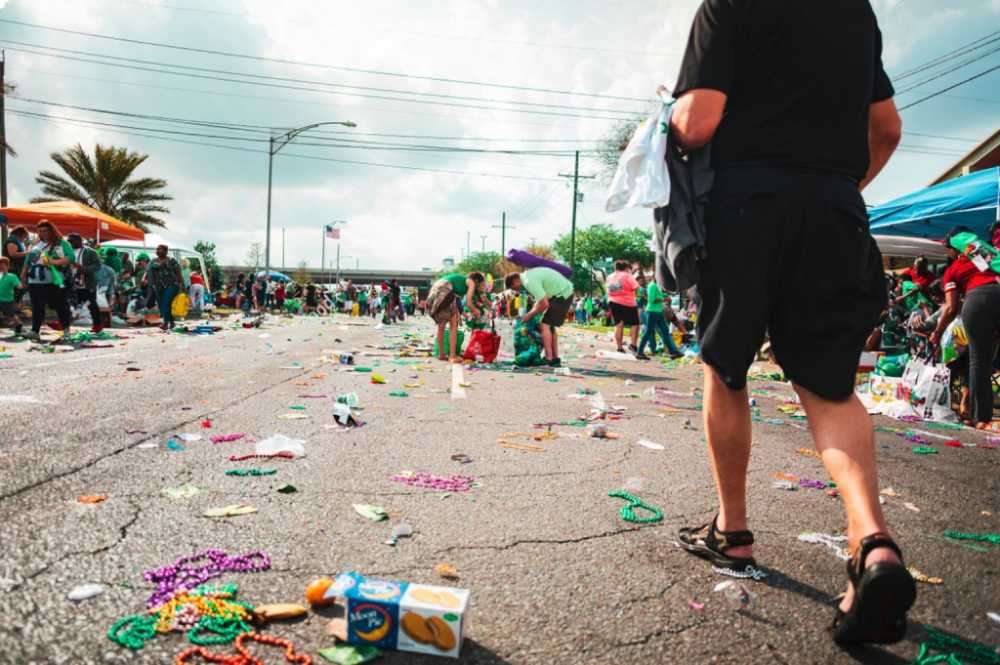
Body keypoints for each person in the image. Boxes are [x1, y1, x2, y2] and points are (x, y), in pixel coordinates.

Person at [669, 0, 913, 645]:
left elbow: (698, 122)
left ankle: (734, 529)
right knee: (830, 386)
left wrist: (667, 117)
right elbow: (886, 128)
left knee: (726, 368)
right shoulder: (854, 11)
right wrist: (835, 185)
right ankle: (873, 543)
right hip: (834, 205)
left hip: (745, 203)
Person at [929, 227, 1000, 428]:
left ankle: (981, 418)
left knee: (979, 361)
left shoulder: (952, 270)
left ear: (953, 248)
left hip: (978, 301)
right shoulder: (988, 255)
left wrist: (937, 332)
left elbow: (951, 308)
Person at [506, 267, 574, 367]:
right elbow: (542, 299)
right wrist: (534, 308)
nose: (515, 290)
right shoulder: (527, 276)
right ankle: (555, 358)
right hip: (562, 292)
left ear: (516, 281)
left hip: (562, 295)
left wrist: (529, 315)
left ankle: (549, 358)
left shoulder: (529, 282)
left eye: (513, 287)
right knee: (550, 326)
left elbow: (544, 304)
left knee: (544, 324)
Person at [20, 220, 74, 341]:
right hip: (35, 280)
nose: (43, 233)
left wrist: (54, 262)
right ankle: (35, 331)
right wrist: (23, 274)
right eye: (40, 231)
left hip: (54, 280)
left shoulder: (61, 243)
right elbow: (28, 259)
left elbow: (70, 257)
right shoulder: (36, 244)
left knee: (60, 305)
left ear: (51, 230)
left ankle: (66, 330)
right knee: (37, 306)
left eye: (45, 230)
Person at [426, 271, 486, 362]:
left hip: (436, 289)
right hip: (445, 289)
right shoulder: (471, 282)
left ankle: (441, 354)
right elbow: (468, 303)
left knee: (441, 325)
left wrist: (463, 314)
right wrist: (475, 311)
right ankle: (452, 356)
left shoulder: (460, 283)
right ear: (477, 281)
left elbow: (457, 302)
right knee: (453, 325)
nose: (482, 285)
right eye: (482, 283)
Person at [636, 277, 683, 360]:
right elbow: (651, 300)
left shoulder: (657, 286)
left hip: (658, 312)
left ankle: (673, 352)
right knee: (648, 332)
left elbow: (660, 296)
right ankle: (640, 352)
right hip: (652, 312)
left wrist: (665, 297)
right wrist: (663, 299)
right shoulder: (652, 286)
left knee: (665, 332)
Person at [142, 244, 183, 331]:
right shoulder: (153, 261)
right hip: (158, 286)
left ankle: (165, 323)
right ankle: (171, 322)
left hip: (172, 285)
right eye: (156, 249)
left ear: (165, 251)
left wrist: (181, 286)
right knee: (162, 304)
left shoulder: (172, 261)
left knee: (166, 302)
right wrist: (144, 279)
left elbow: (178, 273)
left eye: (159, 249)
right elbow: (147, 271)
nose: (157, 251)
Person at [67, 233, 102, 331]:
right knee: (69, 304)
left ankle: (97, 325)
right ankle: (65, 324)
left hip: (87, 283)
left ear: (79, 241)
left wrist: (84, 269)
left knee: (91, 304)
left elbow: (97, 265)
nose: (69, 243)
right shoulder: (67, 252)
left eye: (71, 241)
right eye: (68, 241)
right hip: (72, 282)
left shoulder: (90, 252)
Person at [606, 260, 641, 354]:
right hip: (628, 303)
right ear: (626, 268)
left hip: (613, 302)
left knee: (619, 325)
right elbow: (636, 287)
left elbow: (611, 289)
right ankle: (633, 344)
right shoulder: (627, 275)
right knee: (635, 324)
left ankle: (620, 347)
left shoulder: (610, 276)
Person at [0, 256, 24, 334]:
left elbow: (19, 286)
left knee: (10, 315)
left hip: (7, 300)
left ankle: (19, 324)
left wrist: (19, 286)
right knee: (9, 315)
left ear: (7, 266)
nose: (1, 267)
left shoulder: (12, 276)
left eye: (3, 265)